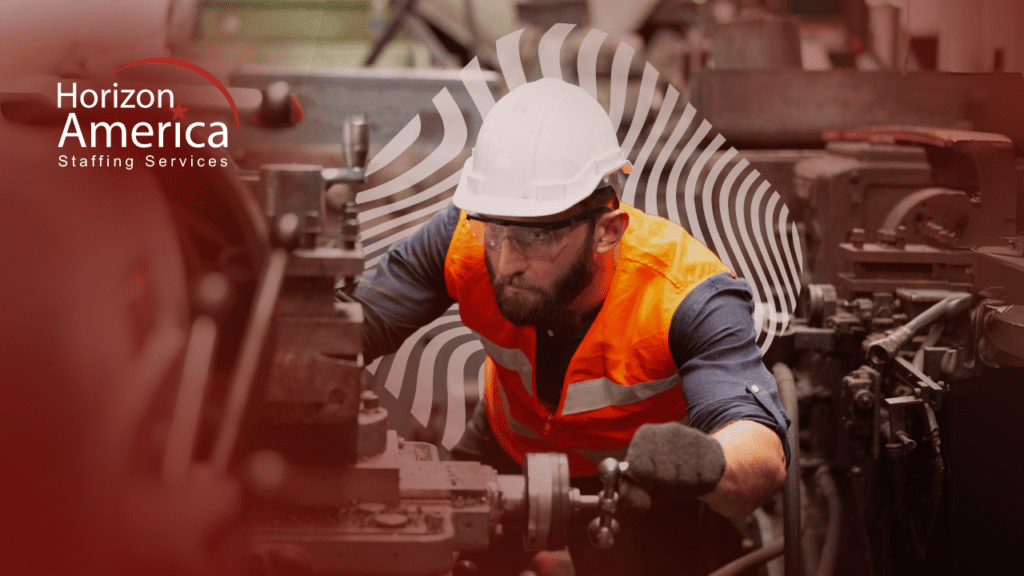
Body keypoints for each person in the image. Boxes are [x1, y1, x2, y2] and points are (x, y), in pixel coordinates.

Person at [341, 77, 790, 576]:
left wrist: (705, 465)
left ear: (606, 230)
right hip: (508, 447)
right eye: (497, 230)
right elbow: (346, 330)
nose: (507, 261)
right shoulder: (464, 239)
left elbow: (760, 453)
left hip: (641, 488)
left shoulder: (687, 296)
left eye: (536, 236)